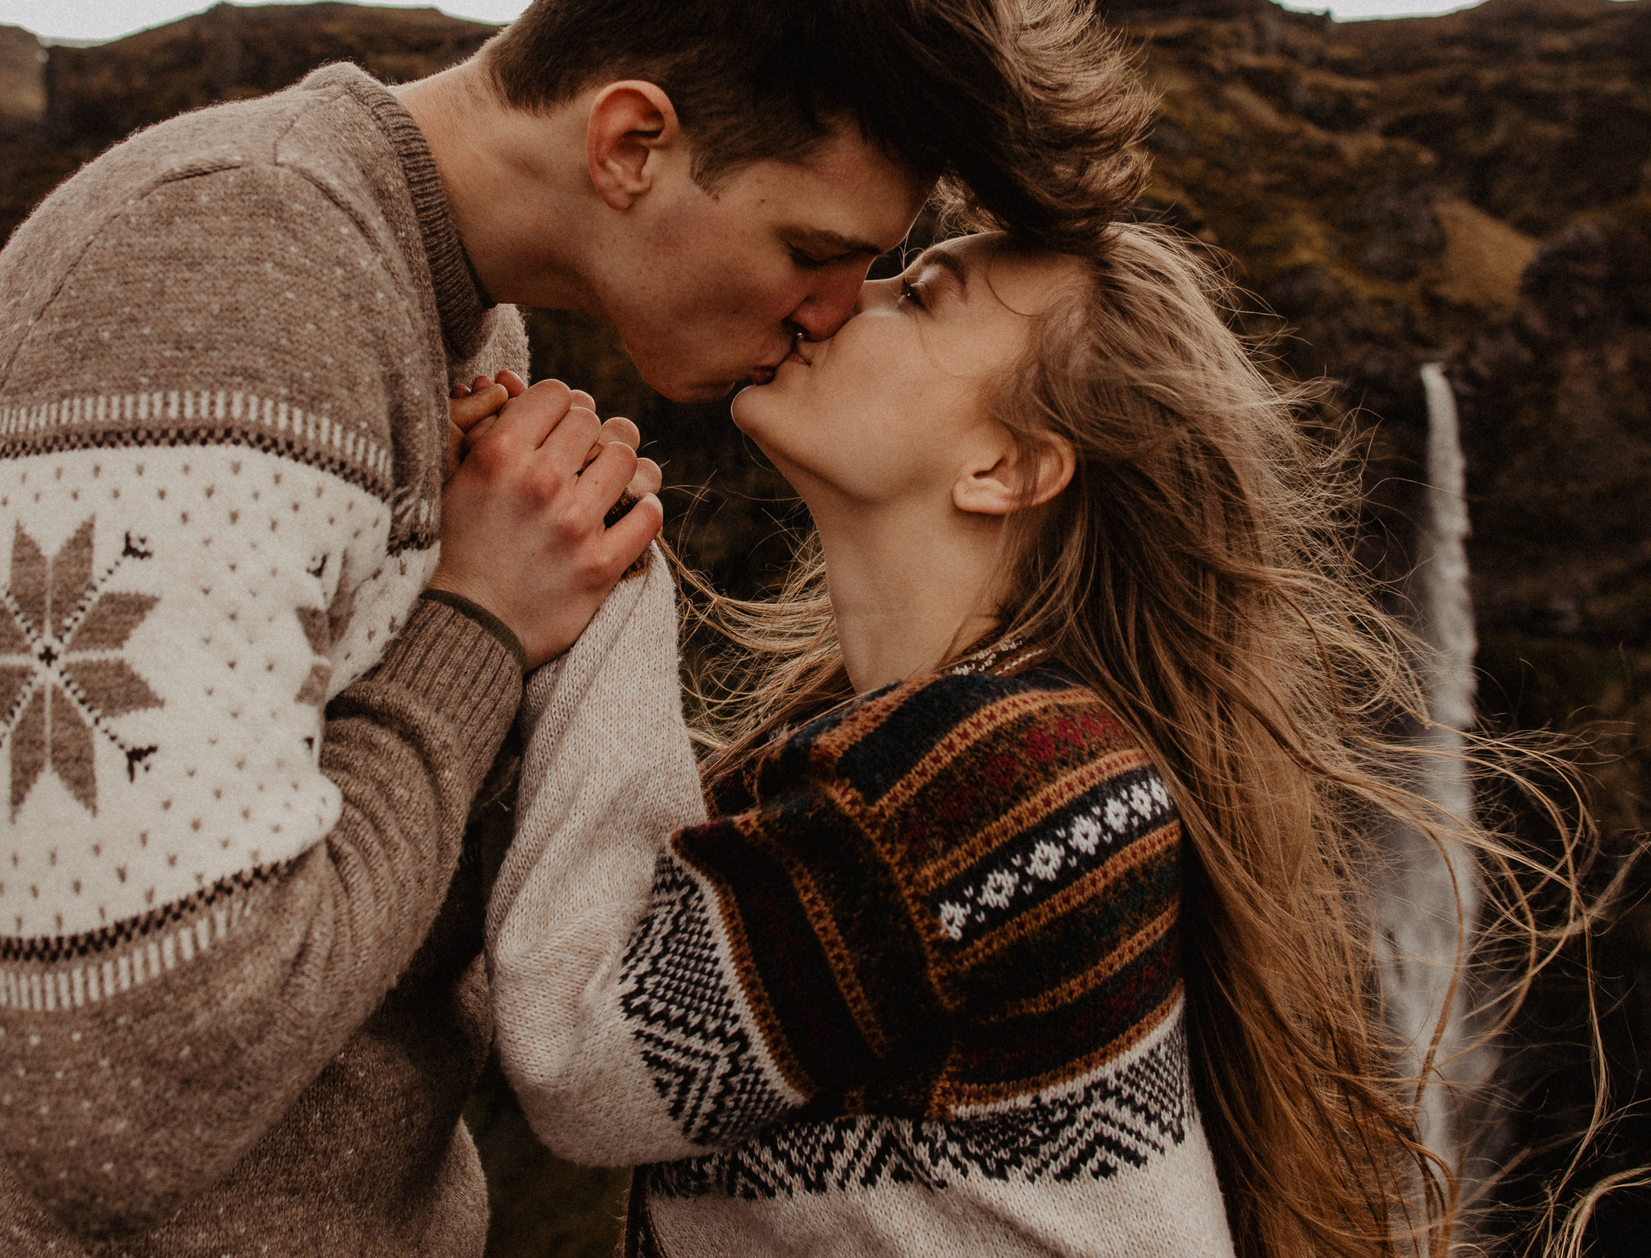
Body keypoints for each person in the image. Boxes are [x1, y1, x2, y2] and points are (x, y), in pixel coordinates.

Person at [0, 0, 1144, 1255]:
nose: (835, 309)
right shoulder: (225, 288)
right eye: (814, 249)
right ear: (633, 139)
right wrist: (478, 627)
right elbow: (122, 1088)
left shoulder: (444, 326)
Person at [484, 219, 1541, 1257]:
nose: (853, 296)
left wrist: (597, 564)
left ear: (1007, 466)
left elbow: (585, 1055)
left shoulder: (1006, 778)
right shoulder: (939, 757)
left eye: (922, 293)